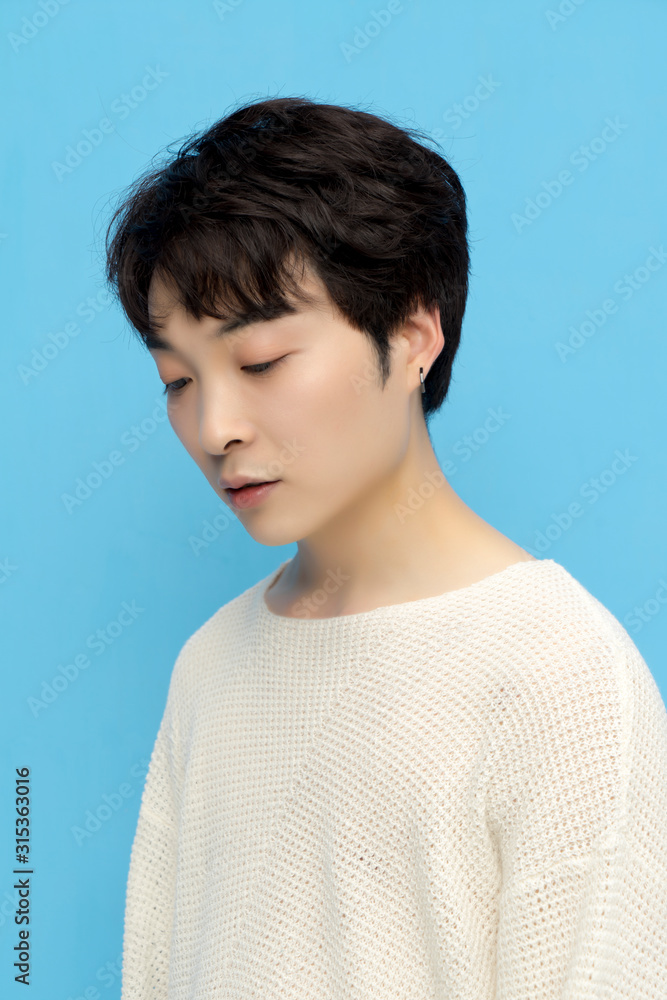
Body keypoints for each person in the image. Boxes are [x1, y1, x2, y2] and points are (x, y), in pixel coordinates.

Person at [105, 95, 667, 999]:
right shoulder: (209, 665)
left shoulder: (561, 674)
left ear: (411, 337)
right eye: (178, 379)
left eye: (259, 363)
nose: (213, 428)